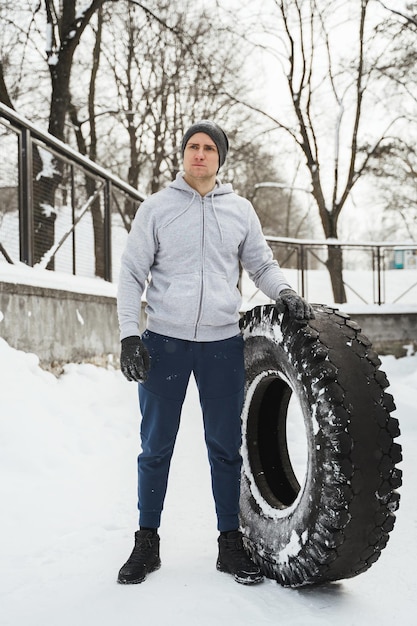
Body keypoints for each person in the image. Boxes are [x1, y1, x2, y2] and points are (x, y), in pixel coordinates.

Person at [116, 120, 314, 586]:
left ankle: (230, 543)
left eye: (208, 148)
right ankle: (147, 541)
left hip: (223, 345)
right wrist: (129, 335)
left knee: (226, 448)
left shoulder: (239, 211)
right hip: (164, 342)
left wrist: (283, 292)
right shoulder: (157, 209)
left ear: (220, 158)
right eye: (191, 147)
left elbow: (261, 263)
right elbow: (130, 274)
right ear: (182, 155)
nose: (199, 154)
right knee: (155, 447)